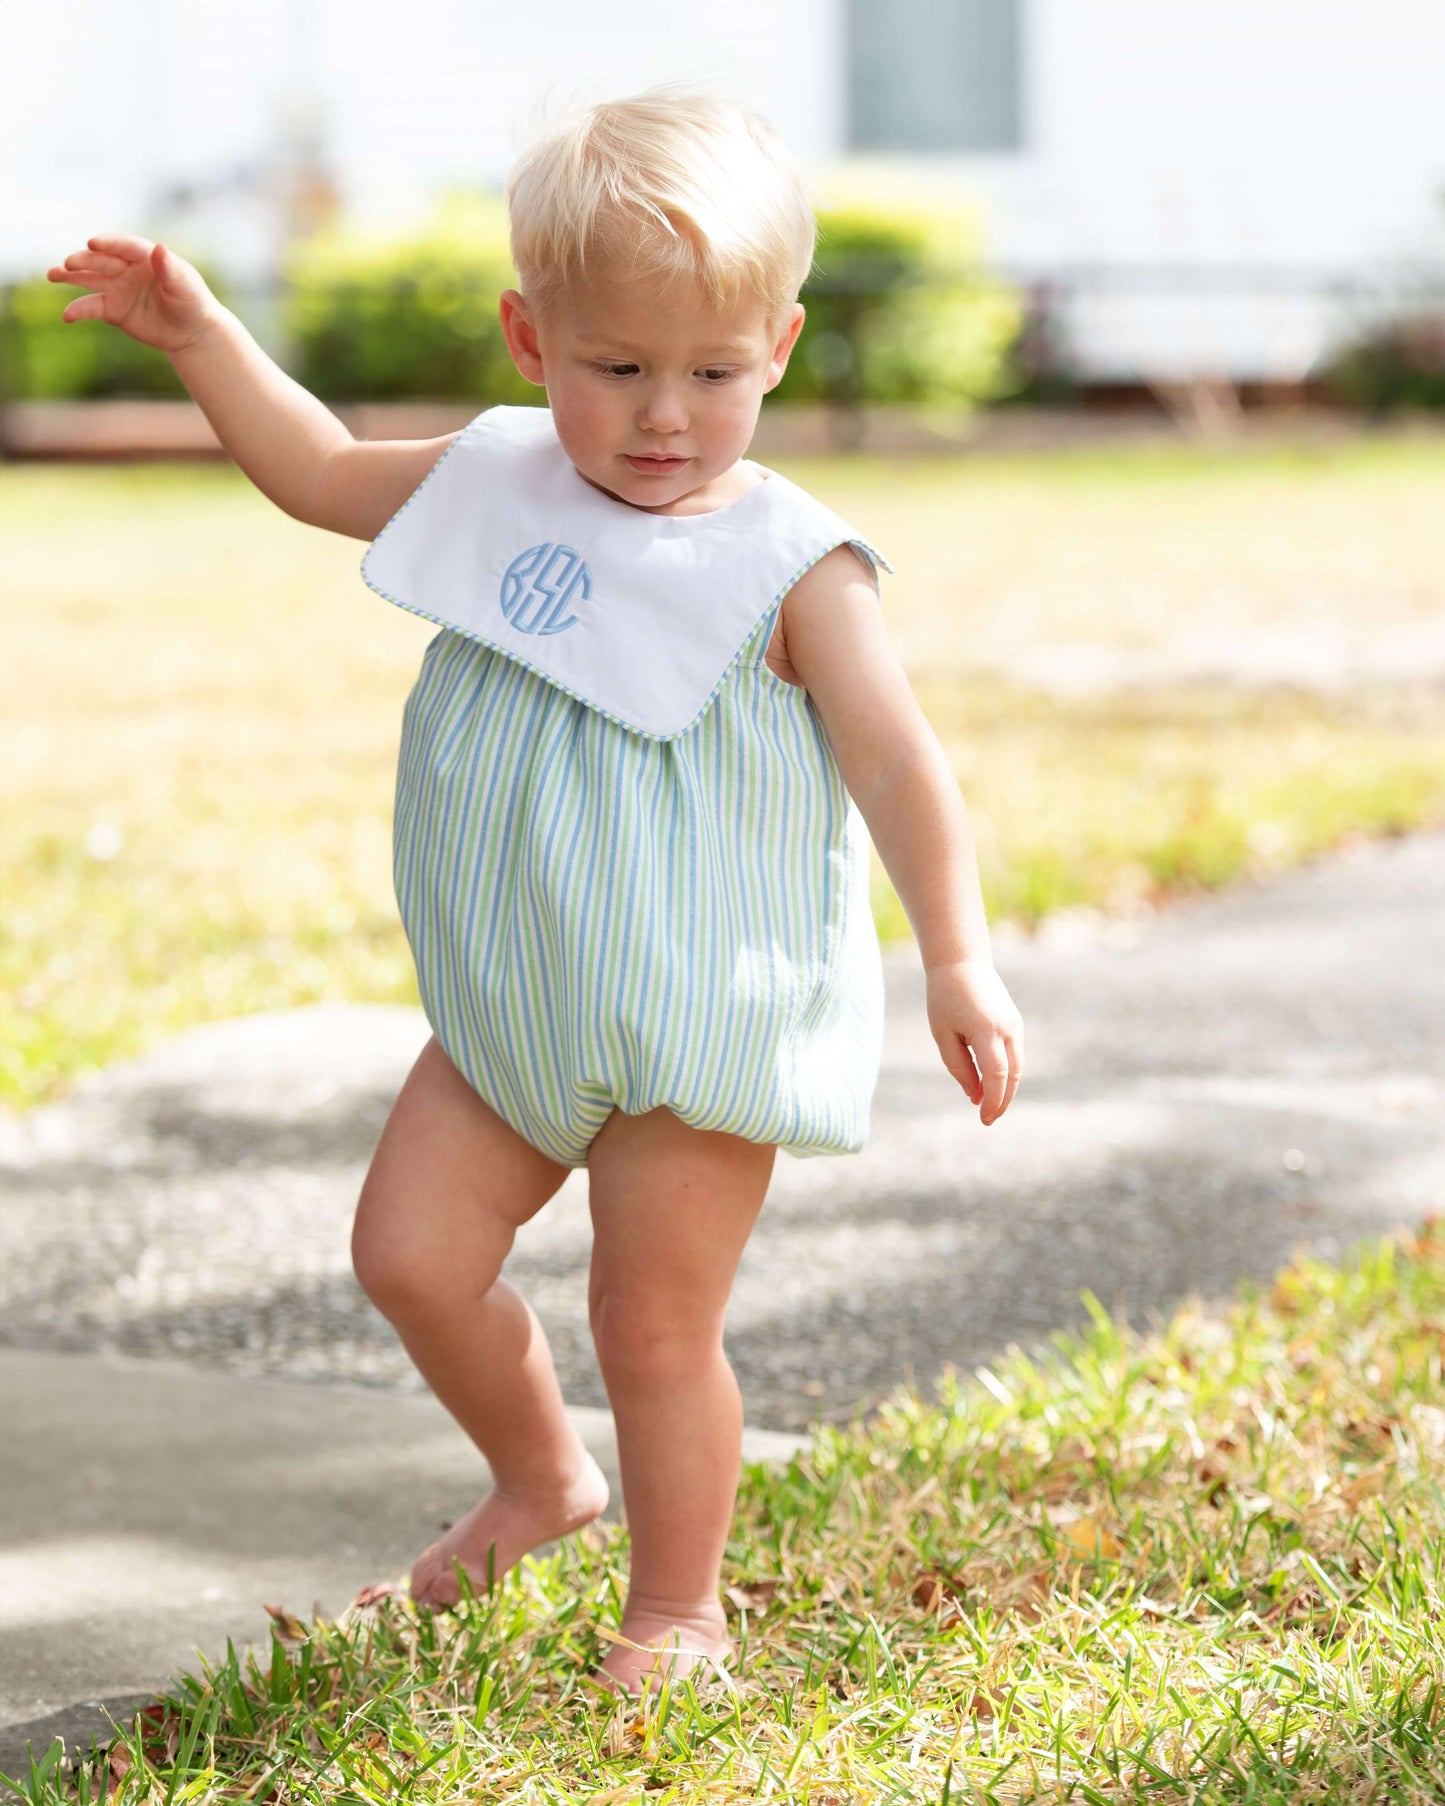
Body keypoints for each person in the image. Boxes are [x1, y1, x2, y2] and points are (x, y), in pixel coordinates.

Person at [48, 81, 1024, 1700]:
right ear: (528, 339)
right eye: (616, 368)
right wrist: (199, 334)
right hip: (510, 995)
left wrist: (958, 959)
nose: (662, 416)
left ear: (777, 344)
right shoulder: (499, 482)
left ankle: (678, 1605)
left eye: (712, 373)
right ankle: (536, 1478)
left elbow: (902, 767)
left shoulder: (795, 566)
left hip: (691, 1020)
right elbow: (311, 472)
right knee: (410, 1256)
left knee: (652, 1328)